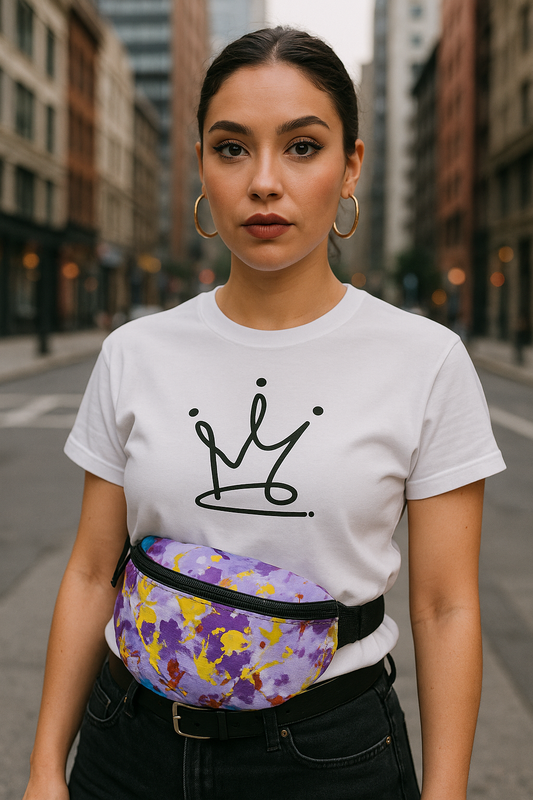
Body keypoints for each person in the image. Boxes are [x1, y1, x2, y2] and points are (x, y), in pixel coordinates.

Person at [23, 27, 505, 800]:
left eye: (303, 147)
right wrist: (47, 767)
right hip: (129, 744)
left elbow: (446, 606)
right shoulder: (135, 351)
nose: (264, 182)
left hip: (328, 754)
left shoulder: (424, 358)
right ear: (202, 168)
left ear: (350, 165)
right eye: (232, 147)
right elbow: (88, 572)